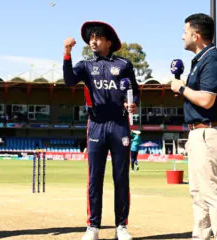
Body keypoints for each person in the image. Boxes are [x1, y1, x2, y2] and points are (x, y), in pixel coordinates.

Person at [63, 21, 139, 240]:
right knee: (94, 177)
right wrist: (67, 53)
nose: (92, 41)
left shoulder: (124, 64)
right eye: (91, 38)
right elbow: (69, 80)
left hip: (119, 124)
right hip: (95, 124)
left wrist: (132, 104)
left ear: (108, 42)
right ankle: (92, 226)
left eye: (97, 38)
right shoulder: (85, 65)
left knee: (121, 177)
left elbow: (134, 92)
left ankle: (121, 226)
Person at [171, 13, 217, 239]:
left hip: (208, 130)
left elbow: (206, 99)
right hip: (198, 132)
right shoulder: (200, 60)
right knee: (197, 192)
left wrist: (181, 88)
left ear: (196, 34)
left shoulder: (213, 59)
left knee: (212, 192)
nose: (182, 36)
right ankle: (201, 235)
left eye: (185, 32)